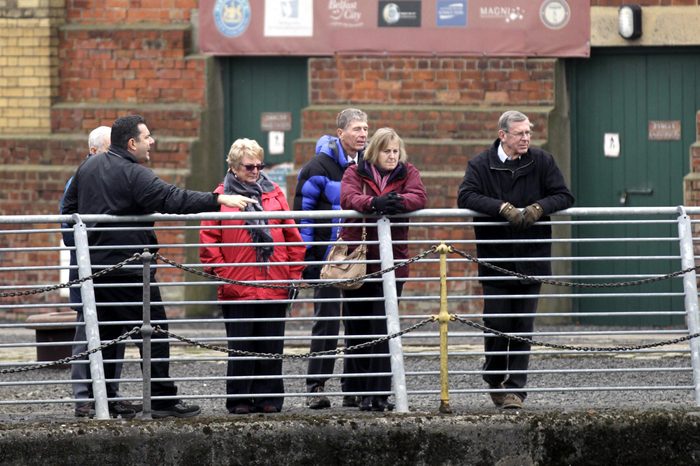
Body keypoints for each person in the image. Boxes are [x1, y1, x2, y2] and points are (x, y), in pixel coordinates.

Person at [61, 115, 256, 419]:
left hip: (96, 270)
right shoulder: (134, 173)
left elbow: (69, 210)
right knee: (153, 333)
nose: (152, 142)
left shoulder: (89, 166)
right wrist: (220, 199)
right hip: (129, 271)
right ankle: (162, 400)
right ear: (131, 143)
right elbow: (172, 198)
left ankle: (106, 399)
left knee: (108, 337)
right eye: (147, 137)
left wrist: (83, 246)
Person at [457, 110, 575, 410]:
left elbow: (563, 195)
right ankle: (494, 375)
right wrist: (502, 208)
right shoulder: (481, 164)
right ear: (503, 135)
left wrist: (538, 207)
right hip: (495, 257)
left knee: (523, 325)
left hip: (531, 257)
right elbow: (466, 196)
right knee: (497, 322)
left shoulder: (542, 161)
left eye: (528, 133)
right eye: (520, 133)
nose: (526, 138)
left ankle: (516, 391)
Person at [200, 138, 305, 415]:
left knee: (271, 346)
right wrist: (227, 276)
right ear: (234, 167)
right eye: (249, 166)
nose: (256, 171)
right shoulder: (221, 197)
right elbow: (209, 243)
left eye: (260, 165)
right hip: (239, 287)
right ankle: (240, 399)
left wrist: (293, 275)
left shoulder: (275, 194)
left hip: (274, 283)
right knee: (241, 348)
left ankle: (270, 398)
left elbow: (292, 236)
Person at [339, 127, 427, 412]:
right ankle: (356, 390)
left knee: (384, 329)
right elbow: (349, 198)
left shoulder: (407, 172)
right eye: (387, 151)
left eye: (395, 151)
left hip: (392, 263)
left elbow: (419, 197)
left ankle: (378, 393)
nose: (392, 156)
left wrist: (396, 202)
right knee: (358, 327)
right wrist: (374, 203)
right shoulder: (355, 172)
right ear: (374, 152)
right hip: (358, 263)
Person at [60, 125, 139, 418]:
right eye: (109, 149)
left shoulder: (115, 177)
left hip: (111, 272)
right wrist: (94, 241)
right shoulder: (80, 179)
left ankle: (110, 394)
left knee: (114, 335)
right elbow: (67, 228)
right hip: (90, 271)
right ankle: (84, 397)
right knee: (87, 333)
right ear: (93, 151)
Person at [293, 108, 368, 409]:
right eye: (357, 129)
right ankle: (316, 386)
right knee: (326, 324)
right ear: (340, 133)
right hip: (328, 259)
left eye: (365, 128)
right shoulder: (317, 167)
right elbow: (305, 215)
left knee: (359, 324)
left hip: (361, 258)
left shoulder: (369, 165)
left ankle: (353, 389)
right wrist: (309, 259)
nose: (363, 134)